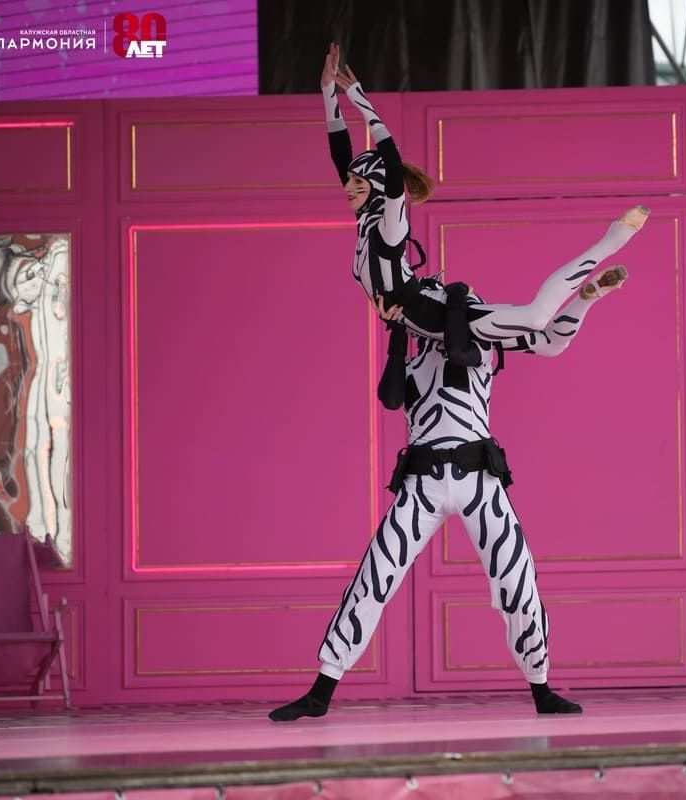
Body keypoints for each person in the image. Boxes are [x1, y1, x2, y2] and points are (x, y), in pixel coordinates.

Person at [269, 246, 636, 721]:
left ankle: (542, 687)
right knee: (374, 577)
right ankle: (322, 689)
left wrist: (584, 300)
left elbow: (549, 340)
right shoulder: (417, 361)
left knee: (517, 581)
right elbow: (390, 397)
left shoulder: (482, 343)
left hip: (479, 479)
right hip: (421, 482)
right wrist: (398, 335)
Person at [318, 43, 646, 409]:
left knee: (536, 316)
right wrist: (328, 92)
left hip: (441, 317)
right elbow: (340, 153)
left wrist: (359, 99)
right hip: (425, 323)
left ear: (379, 186)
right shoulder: (366, 219)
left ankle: (608, 244)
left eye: (357, 183)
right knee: (552, 345)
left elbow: (392, 166)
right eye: (349, 182)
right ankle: (588, 295)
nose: (347, 188)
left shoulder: (389, 226)